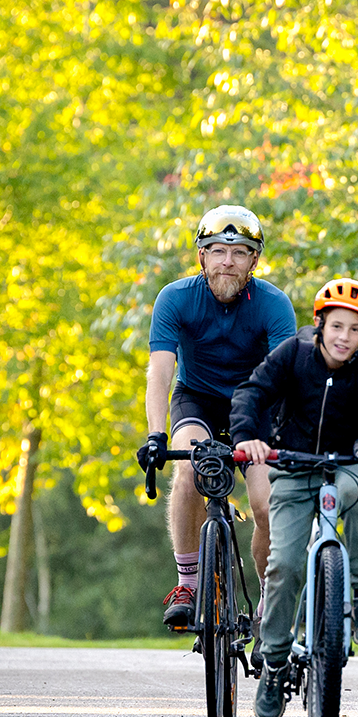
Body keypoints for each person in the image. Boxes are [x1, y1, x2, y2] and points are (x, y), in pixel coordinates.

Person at [230, 278, 358, 717]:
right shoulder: (293, 357)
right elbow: (251, 394)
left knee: (352, 495)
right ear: (319, 325)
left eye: (355, 331)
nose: (345, 338)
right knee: (284, 565)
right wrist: (248, 439)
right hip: (293, 466)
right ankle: (275, 666)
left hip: (348, 465)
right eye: (337, 326)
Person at [135, 205, 297, 646]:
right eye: (218, 250)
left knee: (265, 505)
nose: (228, 260)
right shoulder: (175, 298)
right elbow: (160, 372)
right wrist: (155, 434)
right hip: (198, 401)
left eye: (240, 252)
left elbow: (286, 378)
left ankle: (269, 598)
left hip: (255, 406)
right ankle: (188, 581)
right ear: (201, 256)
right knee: (188, 467)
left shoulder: (274, 304)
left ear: (255, 261)